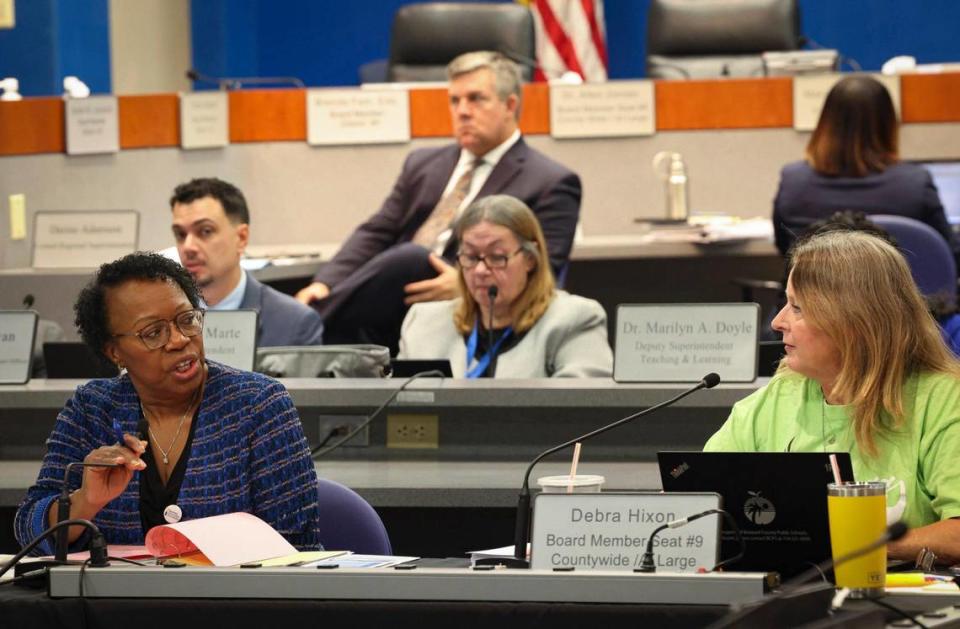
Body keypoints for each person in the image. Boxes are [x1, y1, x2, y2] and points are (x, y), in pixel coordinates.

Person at [14, 253, 322, 553]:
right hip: (111, 602)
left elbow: (297, 548)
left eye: (187, 319)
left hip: (234, 602)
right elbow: (29, 527)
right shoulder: (91, 409)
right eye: (154, 332)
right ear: (114, 352)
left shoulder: (259, 405)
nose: (179, 340)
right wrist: (86, 501)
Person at [295, 51, 581, 354]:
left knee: (411, 259)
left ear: (510, 105)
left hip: (475, 310)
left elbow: (544, 271)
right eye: (454, 101)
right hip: (393, 302)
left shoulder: (551, 181)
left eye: (475, 99)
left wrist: (468, 282)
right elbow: (377, 231)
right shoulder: (423, 164)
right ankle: (308, 327)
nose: (462, 111)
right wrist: (325, 283)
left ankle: (300, 332)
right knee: (398, 269)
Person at [704, 231, 960, 565]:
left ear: (853, 322)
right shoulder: (779, 396)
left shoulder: (940, 398)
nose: (778, 322)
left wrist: (862, 547)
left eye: (797, 308)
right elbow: (701, 500)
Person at [398, 195, 611, 378]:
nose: (481, 270)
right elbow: (399, 413)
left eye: (497, 257)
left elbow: (583, 411)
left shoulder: (573, 320)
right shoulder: (424, 323)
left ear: (530, 258)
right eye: (470, 257)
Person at [772, 75, 959, 268]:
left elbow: (785, 249)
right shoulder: (915, 183)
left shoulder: (793, 181)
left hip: (810, 297)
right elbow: (948, 254)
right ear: (888, 124)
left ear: (825, 122)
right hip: (897, 297)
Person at [170, 177, 324, 347]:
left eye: (205, 231)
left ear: (241, 238)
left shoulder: (294, 324)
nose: (188, 246)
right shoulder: (160, 318)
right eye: (180, 234)